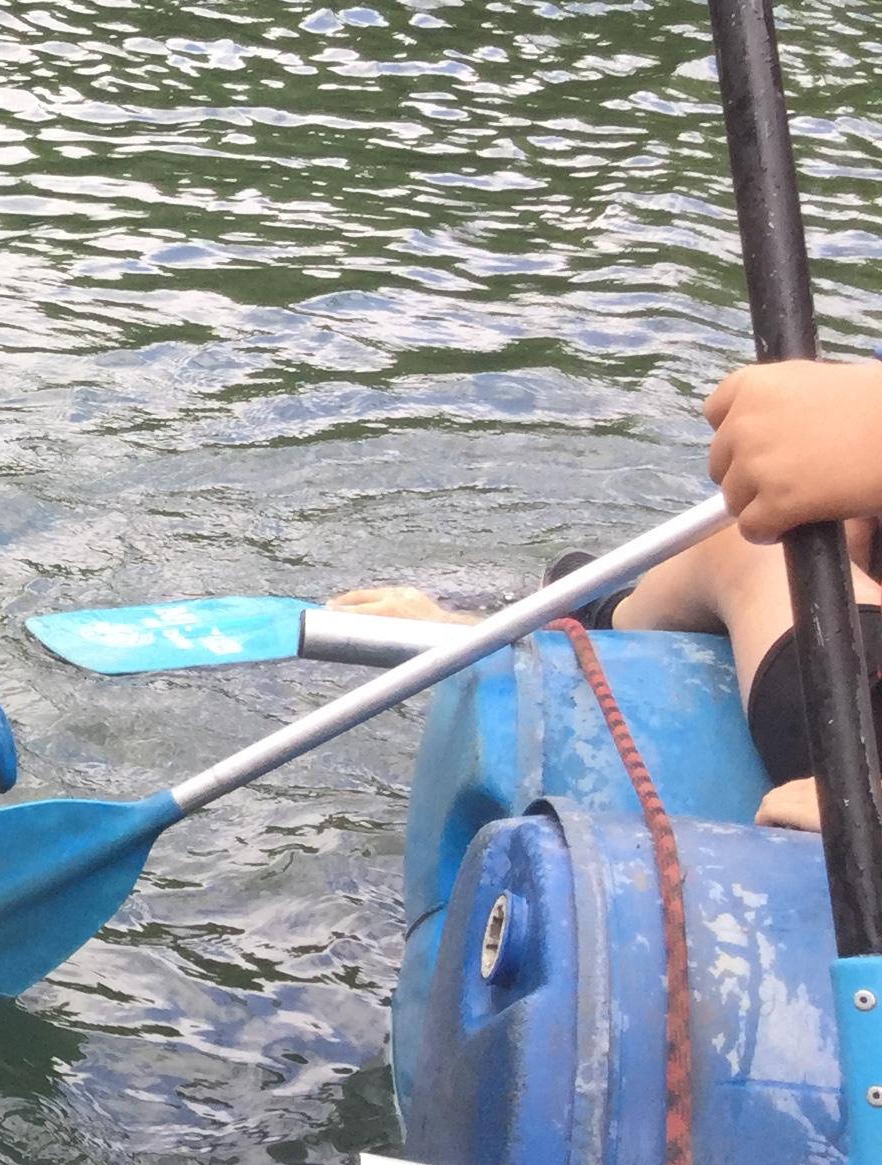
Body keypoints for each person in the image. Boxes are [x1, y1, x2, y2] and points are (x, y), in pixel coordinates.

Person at [337, 357, 882, 833]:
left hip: (863, 744)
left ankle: (594, 623)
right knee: (839, 502)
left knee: (756, 547)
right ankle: (594, 615)